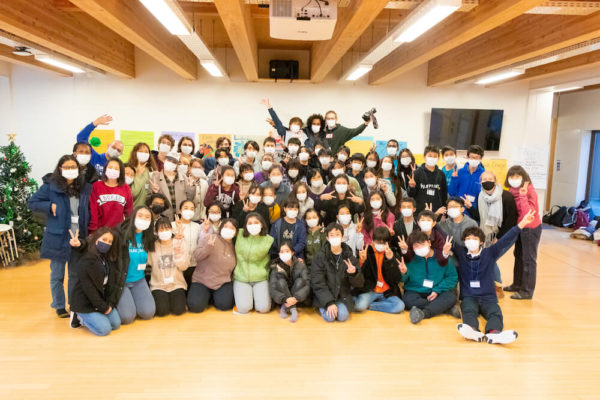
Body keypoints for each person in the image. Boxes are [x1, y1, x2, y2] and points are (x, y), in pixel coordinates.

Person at [455, 209, 536, 344]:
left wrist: (521, 224)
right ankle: (473, 331)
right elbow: (440, 237)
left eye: (474, 239)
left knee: (495, 313)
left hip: (488, 296)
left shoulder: (490, 253)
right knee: (468, 311)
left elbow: (505, 240)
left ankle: (494, 333)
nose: (471, 241)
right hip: (469, 296)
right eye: (468, 239)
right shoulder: (461, 252)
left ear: (481, 241)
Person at [28, 155, 92, 318]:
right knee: (57, 275)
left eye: (73, 167)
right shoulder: (51, 186)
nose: (71, 170)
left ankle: (73, 303)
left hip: (77, 236)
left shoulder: (83, 187)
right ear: (60, 168)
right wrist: (49, 206)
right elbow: (32, 202)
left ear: (78, 169)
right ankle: (58, 305)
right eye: (67, 167)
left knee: (74, 274)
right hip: (57, 236)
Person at [465, 170, 518, 293]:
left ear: (495, 181)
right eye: (484, 179)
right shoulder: (480, 196)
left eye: (490, 179)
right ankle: (493, 286)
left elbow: (510, 221)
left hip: (506, 234)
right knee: (489, 258)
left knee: (489, 258)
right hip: (488, 235)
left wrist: (498, 237)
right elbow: (480, 217)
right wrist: (469, 207)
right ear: (480, 183)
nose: (487, 181)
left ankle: (496, 286)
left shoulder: (506, 197)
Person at [69, 227, 121, 336]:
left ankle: (97, 315)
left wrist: (110, 304)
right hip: (85, 301)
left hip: (100, 299)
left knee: (116, 324)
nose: (106, 243)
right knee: (104, 330)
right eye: (104, 239)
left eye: (110, 241)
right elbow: (89, 289)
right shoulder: (87, 259)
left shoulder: (108, 258)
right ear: (96, 239)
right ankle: (78, 317)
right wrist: (103, 308)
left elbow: (112, 284)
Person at [401, 231, 458, 324]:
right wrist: (404, 273)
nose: (419, 248)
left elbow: (452, 277)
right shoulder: (409, 259)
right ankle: (442, 308)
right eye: (416, 246)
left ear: (429, 243)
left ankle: (423, 313)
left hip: (438, 291)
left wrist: (437, 290)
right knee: (407, 300)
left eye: (422, 244)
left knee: (450, 297)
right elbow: (403, 280)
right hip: (416, 291)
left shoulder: (442, 256)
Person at [311, 223, 364, 322]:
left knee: (343, 317)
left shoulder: (349, 256)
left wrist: (353, 274)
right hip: (325, 295)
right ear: (327, 238)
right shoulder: (320, 257)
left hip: (341, 296)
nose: (335, 237)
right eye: (332, 235)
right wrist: (329, 302)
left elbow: (360, 283)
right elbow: (317, 283)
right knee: (330, 318)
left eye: (337, 235)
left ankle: (335, 307)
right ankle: (322, 306)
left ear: (343, 237)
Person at [504, 166, 542, 300]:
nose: (514, 180)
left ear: (523, 177)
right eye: (511, 177)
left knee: (529, 259)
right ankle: (517, 284)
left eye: (517, 177)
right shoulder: (511, 190)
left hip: (531, 227)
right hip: (520, 227)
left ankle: (527, 291)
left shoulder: (529, 191)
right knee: (518, 255)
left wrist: (523, 195)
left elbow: (528, 213)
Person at [115, 206, 156, 324]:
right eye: (140, 215)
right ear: (133, 217)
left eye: (147, 217)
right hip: (122, 281)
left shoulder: (149, 238)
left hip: (139, 279)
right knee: (127, 318)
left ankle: (132, 301)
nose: (143, 219)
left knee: (148, 313)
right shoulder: (120, 234)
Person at [188, 218, 238, 312]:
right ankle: (205, 296)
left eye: (232, 228)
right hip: (202, 280)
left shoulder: (236, 246)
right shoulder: (210, 238)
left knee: (225, 305)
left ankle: (212, 297)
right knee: (195, 307)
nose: (228, 229)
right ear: (221, 228)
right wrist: (208, 248)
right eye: (226, 226)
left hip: (222, 282)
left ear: (236, 233)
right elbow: (197, 256)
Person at [354, 227, 405, 314]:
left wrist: (390, 260)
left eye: (384, 242)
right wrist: (361, 262)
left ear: (388, 242)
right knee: (359, 306)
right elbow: (360, 277)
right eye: (378, 242)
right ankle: (364, 301)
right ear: (373, 240)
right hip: (371, 290)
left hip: (387, 291)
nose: (381, 244)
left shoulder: (393, 253)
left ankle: (371, 306)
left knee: (400, 306)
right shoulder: (366, 251)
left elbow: (396, 279)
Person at [233, 213, 274, 314]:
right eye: (249, 223)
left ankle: (257, 299)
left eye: (256, 222)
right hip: (241, 277)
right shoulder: (239, 234)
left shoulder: (269, 240)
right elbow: (224, 229)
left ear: (261, 224)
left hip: (261, 278)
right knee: (243, 309)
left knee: (264, 309)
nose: (253, 225)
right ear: (246, 225)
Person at [148, 217, 189, 317]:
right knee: (162, 311)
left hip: (176, 284)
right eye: (161, 230)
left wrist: (178, 254)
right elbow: (147, 263)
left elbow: (184, 267)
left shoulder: (179, 242)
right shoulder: (153, 246)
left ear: (171, 229)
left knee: (179, 310)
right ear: (156, 232)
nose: (164, 232)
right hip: (158, 285)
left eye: (167, 229)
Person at [269, 241, 310, 322]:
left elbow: (307, 284)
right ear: (279, 254)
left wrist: (296, 298)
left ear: (292, 253)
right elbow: (272, 288)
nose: (284, 253)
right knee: (281, 282)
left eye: (287, 251)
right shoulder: (275, 267)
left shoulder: (300, 265)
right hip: (284, 295)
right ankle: (293, 309)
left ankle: (285, 307)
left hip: (297, 295)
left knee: (300, 281)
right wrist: (285, 299)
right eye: (281, 252)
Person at [88, 157, 133, 232]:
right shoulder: (96, 186)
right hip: (100, 231)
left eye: (116, 168)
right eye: (110, 167)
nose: (113, 170)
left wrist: (128, 230)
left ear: (120, 172)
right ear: (105, 169)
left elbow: (129, 212)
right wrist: (93, 230)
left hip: (118, 232)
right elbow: (93, 211)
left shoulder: (126, 188)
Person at [151, 152, 195, 220]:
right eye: (169, 160)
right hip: (163, 216)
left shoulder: (183, 177)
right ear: (164, 161)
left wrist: (191, 188)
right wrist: (154, 192)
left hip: (180, 216)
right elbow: (150, 200)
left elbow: (189, 199)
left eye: (174, 162)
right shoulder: (155, 177)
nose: (171, 163)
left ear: (177, 165)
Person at [407, 145, 447, 214]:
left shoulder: (441, 174)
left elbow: (444, 195)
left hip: (437, 212)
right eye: (430, 156)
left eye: (435, 156)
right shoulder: (416, 173)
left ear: (438, 158)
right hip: (420, 212)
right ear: (425, 157)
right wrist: (411, 187)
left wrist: (444, 213)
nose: (432, 158)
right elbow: (410, 195)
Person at [448, 145, 485, 211]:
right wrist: (454, 179)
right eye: (471, 157)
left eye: (476, 158)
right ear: (467, 157)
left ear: (481, 158)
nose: (473, 160)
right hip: (459, 209)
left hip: (475, 210)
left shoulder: (484, 174)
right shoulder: (460, 172)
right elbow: (452, 193)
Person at [174, 200, 200, 285]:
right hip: (177, 266)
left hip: (194, 265)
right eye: (186, 208)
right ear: (180, 211)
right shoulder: (172, 225)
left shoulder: (198, 226)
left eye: (192, 209)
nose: (189, 211)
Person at [127, 142, 157, 208]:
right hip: (133, 211)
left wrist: (155, 191)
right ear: (135, 153)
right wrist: (138, 175)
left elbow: (154, 195)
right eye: (141, 151)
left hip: (148, 211)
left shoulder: (152, 170)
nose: (143, 154)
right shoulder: (129, 170)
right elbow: (132, 194)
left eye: (146, 152)